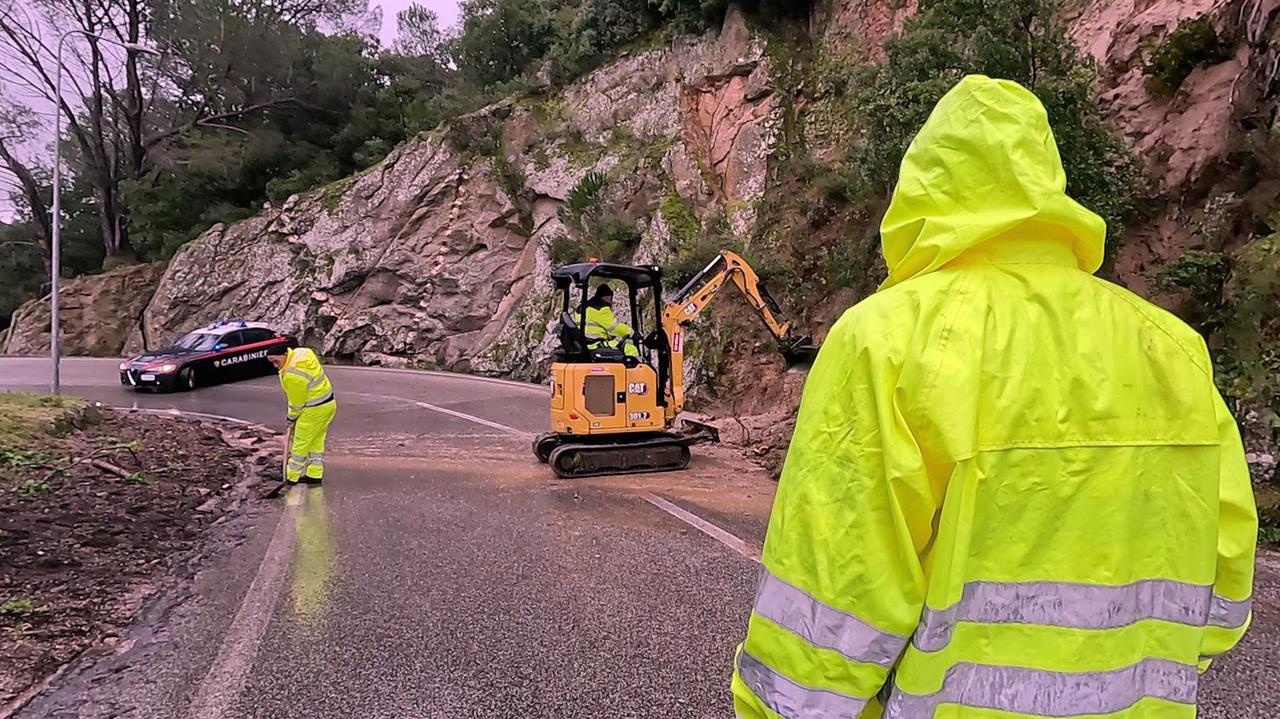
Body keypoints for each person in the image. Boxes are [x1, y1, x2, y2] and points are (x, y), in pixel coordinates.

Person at [732, 75, 1257, 719]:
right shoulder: (1172, 346)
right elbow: (1225, 576)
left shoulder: (887, 340)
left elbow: (832, 599)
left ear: (922, 191)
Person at [267, 341, 337, 485]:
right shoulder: (303, 353)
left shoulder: (292, 376)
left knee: (300, 444)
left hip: (313, 410)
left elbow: (296, 402)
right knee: (316, 443)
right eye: (272, 362)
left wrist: (291, 418)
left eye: (276, 361)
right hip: (329, 404)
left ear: (285, 354)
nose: (275, 365)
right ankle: (314, 475)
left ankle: (290, 477)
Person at [584, 284, 640, 358]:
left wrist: (609, 336)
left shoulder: (584, 308)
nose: (611, 303)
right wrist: (632, 333)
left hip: (586, 344)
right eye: (611, 299)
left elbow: (594, 328)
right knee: (630, 349)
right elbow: (614, 327)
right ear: (607, 297)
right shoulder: (600, 308)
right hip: (595, 345)